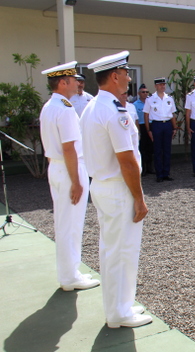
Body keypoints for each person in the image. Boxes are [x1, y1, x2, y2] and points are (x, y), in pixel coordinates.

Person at [81, 50, 151, 328]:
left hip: (102, 185)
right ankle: (118, 313)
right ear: (114, 77)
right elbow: (127, 161)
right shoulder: (114, 111)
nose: (129, 78)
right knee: (122, 252)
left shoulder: (92, 106)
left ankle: (120, 306)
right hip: (118, 189)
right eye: (125, 73)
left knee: (114, 250)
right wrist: (139, 198)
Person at [39, 61, 100, 292]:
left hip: (57, 168)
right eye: (74, 80)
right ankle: (69, 276)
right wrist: (76, 181)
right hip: (69, 169)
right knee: (71, 225)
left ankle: (70, 272)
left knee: (66, 223)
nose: (78, 83)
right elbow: (69, 148)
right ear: (63, 82)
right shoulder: (64, 109)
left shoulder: (49, 106)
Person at [143, 77, 177, 182]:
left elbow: (172, 114)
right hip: (156, 125)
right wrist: (148, 130)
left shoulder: (169, 98)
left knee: (167, 150)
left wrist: (174, 127)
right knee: (157, 150)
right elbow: (146, 115)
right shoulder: (150, 99)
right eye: (160, 85)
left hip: (167, 125)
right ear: (155, 86)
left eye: (163, 84)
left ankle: (166, 173)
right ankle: (159, 174)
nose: (162, 86)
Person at [133, 84, 155, 176]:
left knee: (151, 147)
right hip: (141, 126)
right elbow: (135, 118)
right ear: (139, 93)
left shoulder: (151, 102)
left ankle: (150, 167)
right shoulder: (135, 105)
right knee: (142, 147)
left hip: (150, 125)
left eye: (146, 92)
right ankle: (143, 168)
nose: (145, 93)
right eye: (143, 92)